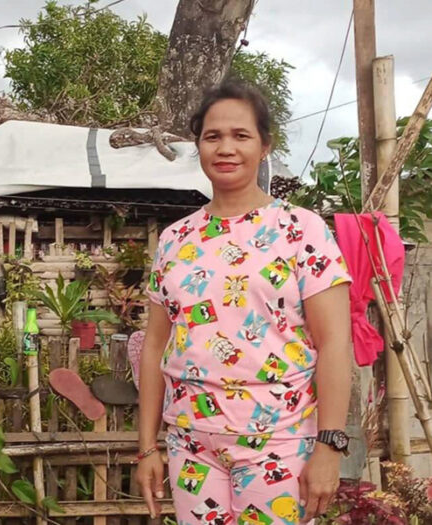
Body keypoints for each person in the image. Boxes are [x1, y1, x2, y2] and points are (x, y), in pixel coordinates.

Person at [136, 81, 352, 524]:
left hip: (280, 441)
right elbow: (155, 346)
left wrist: (330, 446)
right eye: (212, 136)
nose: (225, 148)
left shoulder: (301, 230)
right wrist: (146, 447)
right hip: (192, 444)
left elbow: (335, 343)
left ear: (264, 145)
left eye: (241, 135)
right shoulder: (175, 239)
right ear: (197, 145)